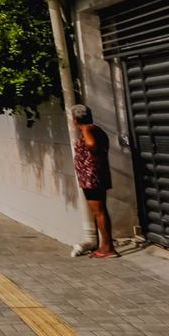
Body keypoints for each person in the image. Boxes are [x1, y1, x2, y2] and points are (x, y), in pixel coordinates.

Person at [71, 104, 116, 258]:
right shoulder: (97, 129)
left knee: (99, 212)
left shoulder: (88, 129)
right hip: (96, 175)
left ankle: (108, 248)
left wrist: (84, 131)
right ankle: (106, 245)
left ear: (75, 120)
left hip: (92, 177)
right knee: (100, 211)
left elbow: (91, 145)